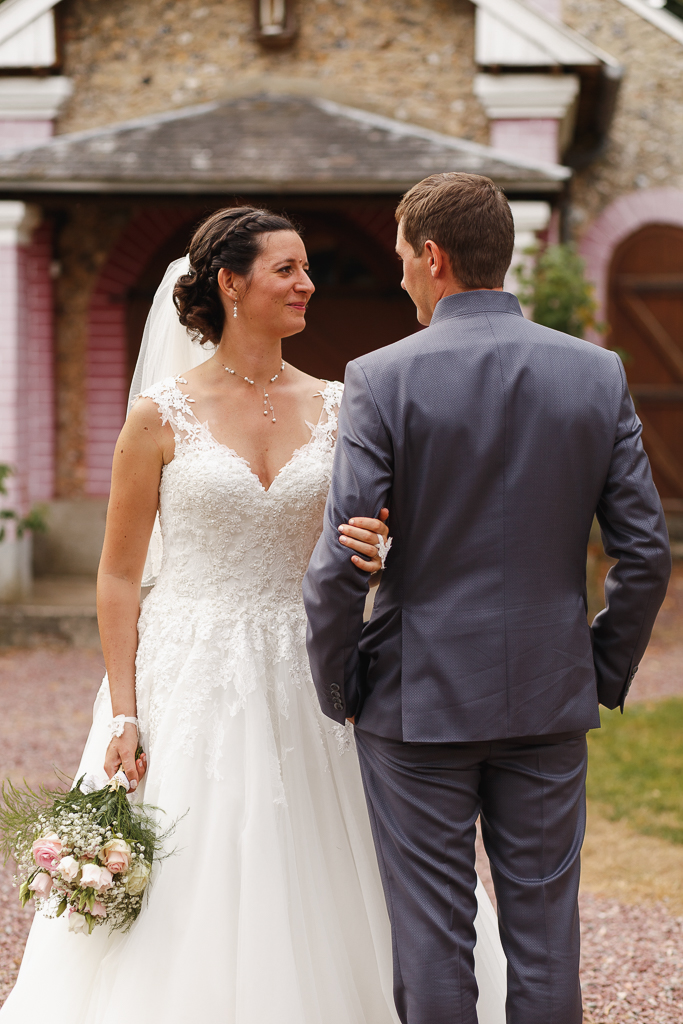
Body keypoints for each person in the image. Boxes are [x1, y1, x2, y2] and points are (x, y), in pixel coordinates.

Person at [1, 205, 506, 1023]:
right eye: (288, 270)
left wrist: (374, 547)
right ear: (231, 284)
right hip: (186, 669)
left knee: (326, 854)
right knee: (194, 857)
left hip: (313, 664)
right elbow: (120, 575)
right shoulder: (157, 416)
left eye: (308, 268)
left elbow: (380, 537)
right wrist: (124, 709)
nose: (309, 283)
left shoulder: (345, 405)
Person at [303, 172, 672, 1024]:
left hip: (413, 701)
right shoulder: (596, 372)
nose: (399, 276)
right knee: (545, 938)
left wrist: (340, 683)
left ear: (432, 257)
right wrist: (594, 668)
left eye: (401, 259)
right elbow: (644, 552)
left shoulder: (379, 377)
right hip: (547, 697)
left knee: (433, 939)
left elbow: (339, 561)